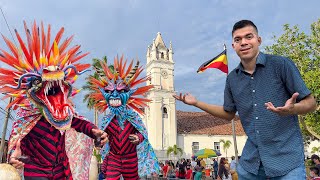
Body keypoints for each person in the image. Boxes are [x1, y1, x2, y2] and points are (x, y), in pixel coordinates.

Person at [173, 19, 317, 179]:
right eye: (238, 39)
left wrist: (293, 109)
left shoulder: (280, 65)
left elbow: (311, 103)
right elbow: (228, 113)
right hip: (252, 163)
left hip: (286, 159)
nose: (244, 42)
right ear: (233, 46)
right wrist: (197, 103)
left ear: (259, 40)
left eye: (249, 37)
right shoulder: (232, 79)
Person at [1, 21, 108, 179]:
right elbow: (16, 141)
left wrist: (94, 131)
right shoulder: (25, 116)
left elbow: (79, 123)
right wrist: (14, 155)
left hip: (60, 171)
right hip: (35, 170)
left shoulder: (64, 112)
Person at [88, 57, 160, 179]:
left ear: (128, 94)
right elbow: (102, 135)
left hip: (131, 159)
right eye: (110, 91)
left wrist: (138, 137)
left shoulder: (133, 116)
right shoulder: (107, 120)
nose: (115, 94)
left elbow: (142, 132)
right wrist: (100, 140)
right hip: (114, 158)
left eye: (120, 91)